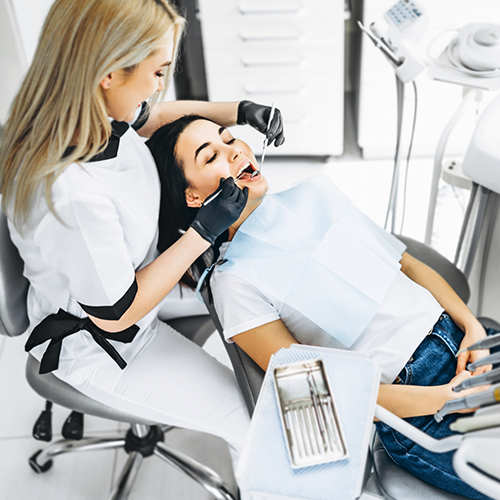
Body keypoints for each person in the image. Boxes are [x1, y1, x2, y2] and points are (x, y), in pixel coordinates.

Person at [146, 114, 498, 500]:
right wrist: (446, 398)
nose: (234, 152)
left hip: (465, 344)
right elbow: (324, 388)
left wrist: (472, 327)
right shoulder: (233, 283)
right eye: (210, 156)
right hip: (418, 402)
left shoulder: (313, 198)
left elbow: (407, 265)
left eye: (230, 139)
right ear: (193, 197)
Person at [0, 0, 285, 462]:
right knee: (253, 418)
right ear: (109, 73)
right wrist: (202, 232)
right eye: (156, 72)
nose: (158, 85)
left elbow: (150, 117)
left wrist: (237, 111)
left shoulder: (84, 108)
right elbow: (116, 313)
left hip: (141, 273)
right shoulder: (71, 196)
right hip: (110, 341)